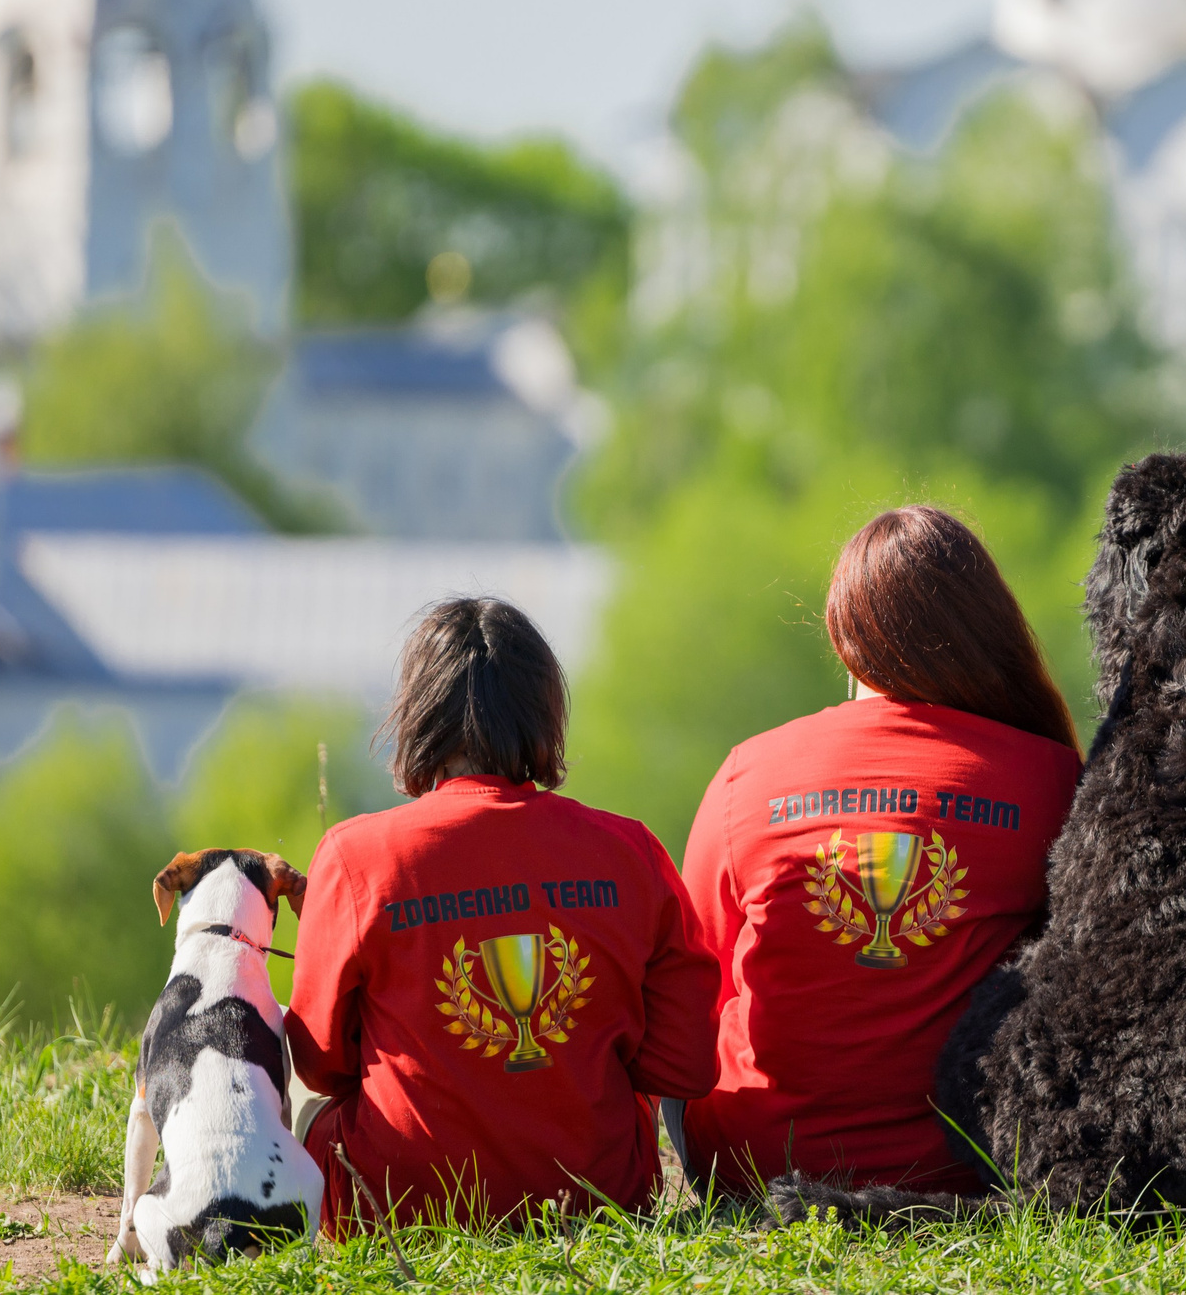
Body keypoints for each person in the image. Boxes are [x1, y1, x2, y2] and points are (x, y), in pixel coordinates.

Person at [677, 506, 1083, 1194]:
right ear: (991, 632)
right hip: (968, 1170)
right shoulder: (1054, 779)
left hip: (757, 1166)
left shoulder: (747, 773)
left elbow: (695, 985)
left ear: (844, 637)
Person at [286, 597, 718, 1227]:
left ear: (419, 714)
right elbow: (686, 1063)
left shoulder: (355, 857)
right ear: (544, 712)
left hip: (397, 1212)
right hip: (601, 1205)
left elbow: (320, 1064)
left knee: (289, 1082)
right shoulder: (631, 851)